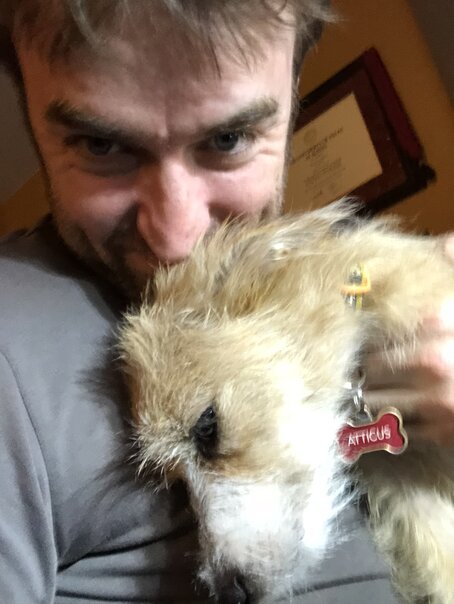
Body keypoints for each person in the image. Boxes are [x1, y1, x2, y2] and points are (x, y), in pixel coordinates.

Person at [0, 2, 453, 602]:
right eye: (100, 144)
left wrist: (392, 290)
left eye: (229, 139)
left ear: (295, 91)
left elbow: (356, 279)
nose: (177, 239)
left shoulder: (330, 277)